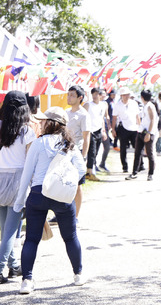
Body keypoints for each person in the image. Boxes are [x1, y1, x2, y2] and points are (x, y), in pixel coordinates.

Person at [13, 106, 87, 294]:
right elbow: (81, 169)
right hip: (61, 195)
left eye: (44, 120)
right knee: (70, 237)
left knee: (31, 239)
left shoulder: (38, 143)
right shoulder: (69, 144)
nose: (41, 122)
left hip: (38, 194)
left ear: (50, 123)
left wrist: (19, 201)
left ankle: (27, 281)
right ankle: (78, 274)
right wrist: (68, 184)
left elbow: (26, 174)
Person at [0, 92, 36, 283]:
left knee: (5, 229)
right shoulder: (27, 131)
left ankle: (14, 267)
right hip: (17, 182)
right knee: (10, 231)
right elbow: (30, 163)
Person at [66, 85, 91, 221]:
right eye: (68, 94)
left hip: (77, 153)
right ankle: (63, 214)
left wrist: (84, 156)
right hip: (64, 152)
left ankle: (75, 216)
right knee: (63, 184)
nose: (69, 97)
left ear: (80, 98)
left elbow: (86, 137)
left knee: (77, 185)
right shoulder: (66, 112)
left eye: (72, 95)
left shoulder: (83, 115)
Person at [126, 90, 158, 181]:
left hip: (148, 132)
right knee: (137, 153)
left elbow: (152, 120)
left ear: (142, 97)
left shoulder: (150, 106)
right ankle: (134, 172)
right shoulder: (145, 105)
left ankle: (151, 174)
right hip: (141, 131)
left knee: (149, 153)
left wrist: (148, 133)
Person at [111, 87, 140, 173]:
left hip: (134, 128)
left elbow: (137, 116)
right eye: (124, 95)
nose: (126, 97)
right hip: (123, 128)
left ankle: (140, 165)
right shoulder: (118, 105)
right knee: (123, 148)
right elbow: (114, 118)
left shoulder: (134, 103)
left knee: (137, 147)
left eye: (127, 95)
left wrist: (140, 126)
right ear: (121, 96)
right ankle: (125, 166)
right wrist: (113, 129)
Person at [83, 88, 107, 181]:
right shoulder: (88, 105)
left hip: (99, 130)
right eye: (93, 94)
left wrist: (104, 131)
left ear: (100, 95)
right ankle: (89, 172)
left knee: (96, 152)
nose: (95, 96)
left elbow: (102, 119)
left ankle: (90, 170)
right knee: (91, 152)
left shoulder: (103, 105)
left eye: (97, 94)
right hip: (90, 131)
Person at [97, 89, 112, 171]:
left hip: (104, 128)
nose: (103, 95)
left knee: (107, 146)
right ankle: (93, 165)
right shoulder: (94, 104)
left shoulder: (105, 103)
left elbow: (106, 115)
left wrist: (109, 124)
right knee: (96, 147)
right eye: (102, 94)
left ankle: (102, 163)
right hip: (96, 128)